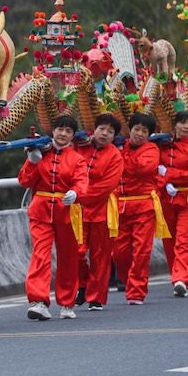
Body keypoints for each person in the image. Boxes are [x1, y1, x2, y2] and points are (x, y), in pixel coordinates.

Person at [18, 115, 88, 321]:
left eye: (68, 131)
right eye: (60, 129)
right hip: (40, 210)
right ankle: (38, 301)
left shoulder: (77, 159)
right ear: (53, 131)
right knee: (40, 255)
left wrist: (75, 193)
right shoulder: (40, 152)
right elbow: (24, 180)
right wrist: (32, 162)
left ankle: (67, 302)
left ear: (73, 136)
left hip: (67, 212)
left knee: (68, 257)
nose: (63, 134)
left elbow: (82, 182)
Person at [112, 113, 165, 305]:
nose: (140, 134)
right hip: (121, 206)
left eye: (144, 131)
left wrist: (119, 158)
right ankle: (130, 282)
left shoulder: (151, 150)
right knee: (118, 252)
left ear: (149, 134)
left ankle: (137, 290)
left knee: (142, 250)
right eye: (137, 129)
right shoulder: (120, 148)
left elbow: (141, 168)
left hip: (144, 206)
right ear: (130, 129)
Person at [74, 114, 124, 311]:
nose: (105, 134)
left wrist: (78, 196)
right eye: (102, 128)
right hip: (76, 210)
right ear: (93, 130)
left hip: (101, 209)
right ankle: (83, 284)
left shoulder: (115, 157)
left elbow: (106, 186)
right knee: (76, 252)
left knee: (100, 255)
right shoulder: (80, 145)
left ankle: (96, 296)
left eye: (110, 132)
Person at [158, 110, 188, 297]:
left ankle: (181, 279)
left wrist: (168, 175)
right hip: (165, 199)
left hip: (187, 198)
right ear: (175, 124)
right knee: (169, 241)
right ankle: (183, 278)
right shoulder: (161, 145)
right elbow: (153, 170)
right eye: (182, 123)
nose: (186, 127)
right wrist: (164, 183)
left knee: (184, 239)